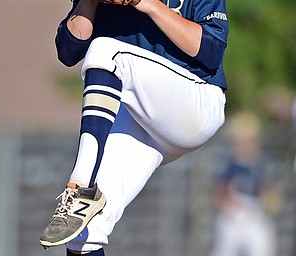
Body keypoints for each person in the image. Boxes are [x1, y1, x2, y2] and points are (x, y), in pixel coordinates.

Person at [39, 0, 229, 254]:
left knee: (106, 50)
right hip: (136, 115)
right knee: (84, 235)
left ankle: (81, 187)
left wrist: (146, 3)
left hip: (194, 101)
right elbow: (68, 52)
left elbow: (210, 50)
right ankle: (83, 202)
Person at [209, 111, 281, 256]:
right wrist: (228, 207)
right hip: (232, 214)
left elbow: (271, 190)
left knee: (261, 245)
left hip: (255, 213)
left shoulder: (263, 165)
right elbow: (219, 191)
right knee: (224, 248)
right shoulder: (228, 165)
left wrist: (268, 203)